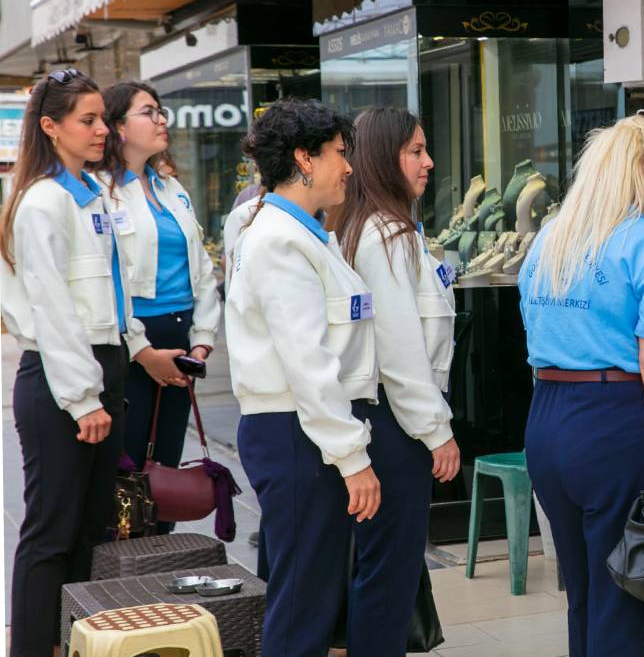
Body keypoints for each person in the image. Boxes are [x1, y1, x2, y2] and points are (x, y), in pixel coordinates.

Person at [517, 110, 644, 657]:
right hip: (614, 420)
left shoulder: (550, 239)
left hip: (547, 419)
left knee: (585, 594)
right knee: (621, 599)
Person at [225, 98, 381, 656]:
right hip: (297, 434)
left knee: (310, 596)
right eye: (340, 154)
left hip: (303, 431)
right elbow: (309, 364)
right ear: (304, 159)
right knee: (301, 608)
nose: (348, 167)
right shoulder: (279, 241)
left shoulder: (306, 233)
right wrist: (352, 456)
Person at [0, 69, 148, 656]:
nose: (99, 131)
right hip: (61, 382)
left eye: (101, 120)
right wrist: (83, 397)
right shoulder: (41, 201)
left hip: (101, 370)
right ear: (49, 126)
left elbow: (113, 291)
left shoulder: (93, 194)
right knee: (50, 533)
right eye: (86, 120)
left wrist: (132, 349)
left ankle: (79, 644)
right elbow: (52, 309)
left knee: (91, 529)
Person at [327, 106, 462, 650]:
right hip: (394, 424)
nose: (429, 162)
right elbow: (400, 351)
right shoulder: (385, 234)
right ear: (384, 158)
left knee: (386, 570)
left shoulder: (380, 226)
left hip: (390, 420)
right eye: (415, 151)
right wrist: (437, 430)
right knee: (389, 575)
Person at [92, 82, 221, 534]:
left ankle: (159, 560)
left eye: (161, 110)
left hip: (180, 342)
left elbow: (202, 269)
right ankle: (123, 571)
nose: (162, 119)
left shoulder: (171, 188)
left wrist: (202, 343)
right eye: (149, 112)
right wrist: (143, 352)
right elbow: (106, 281)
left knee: (164, 464)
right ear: (119, 127)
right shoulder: (100, 193)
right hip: (133, 344)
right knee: (127, 471)